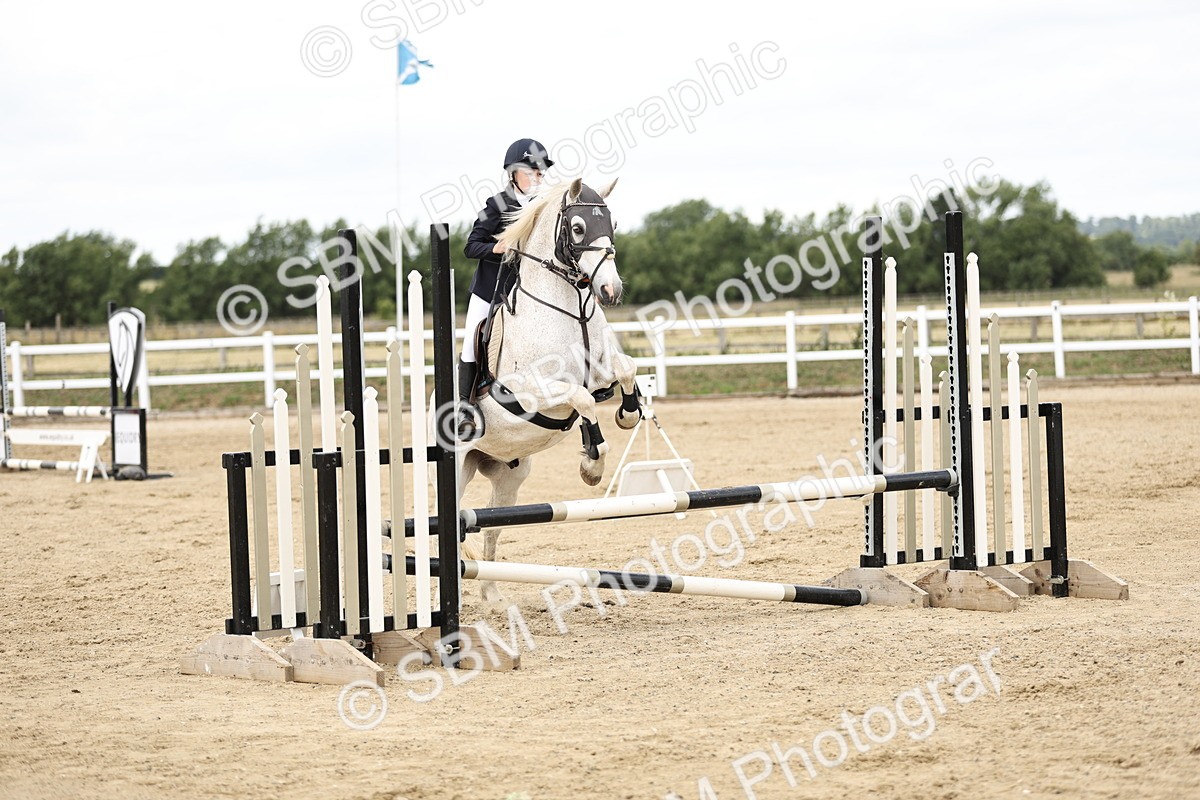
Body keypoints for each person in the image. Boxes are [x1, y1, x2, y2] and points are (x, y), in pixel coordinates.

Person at [456, 137, 554, 440]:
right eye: (532, 171)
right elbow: (471, 246)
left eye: (541, 173)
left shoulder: (544, 206)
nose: (538, 178)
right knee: (472, 340)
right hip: (490, 290)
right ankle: (464, 407)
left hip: (527, 293)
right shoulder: (497, 204)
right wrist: (498, 247)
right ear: (514, 173)